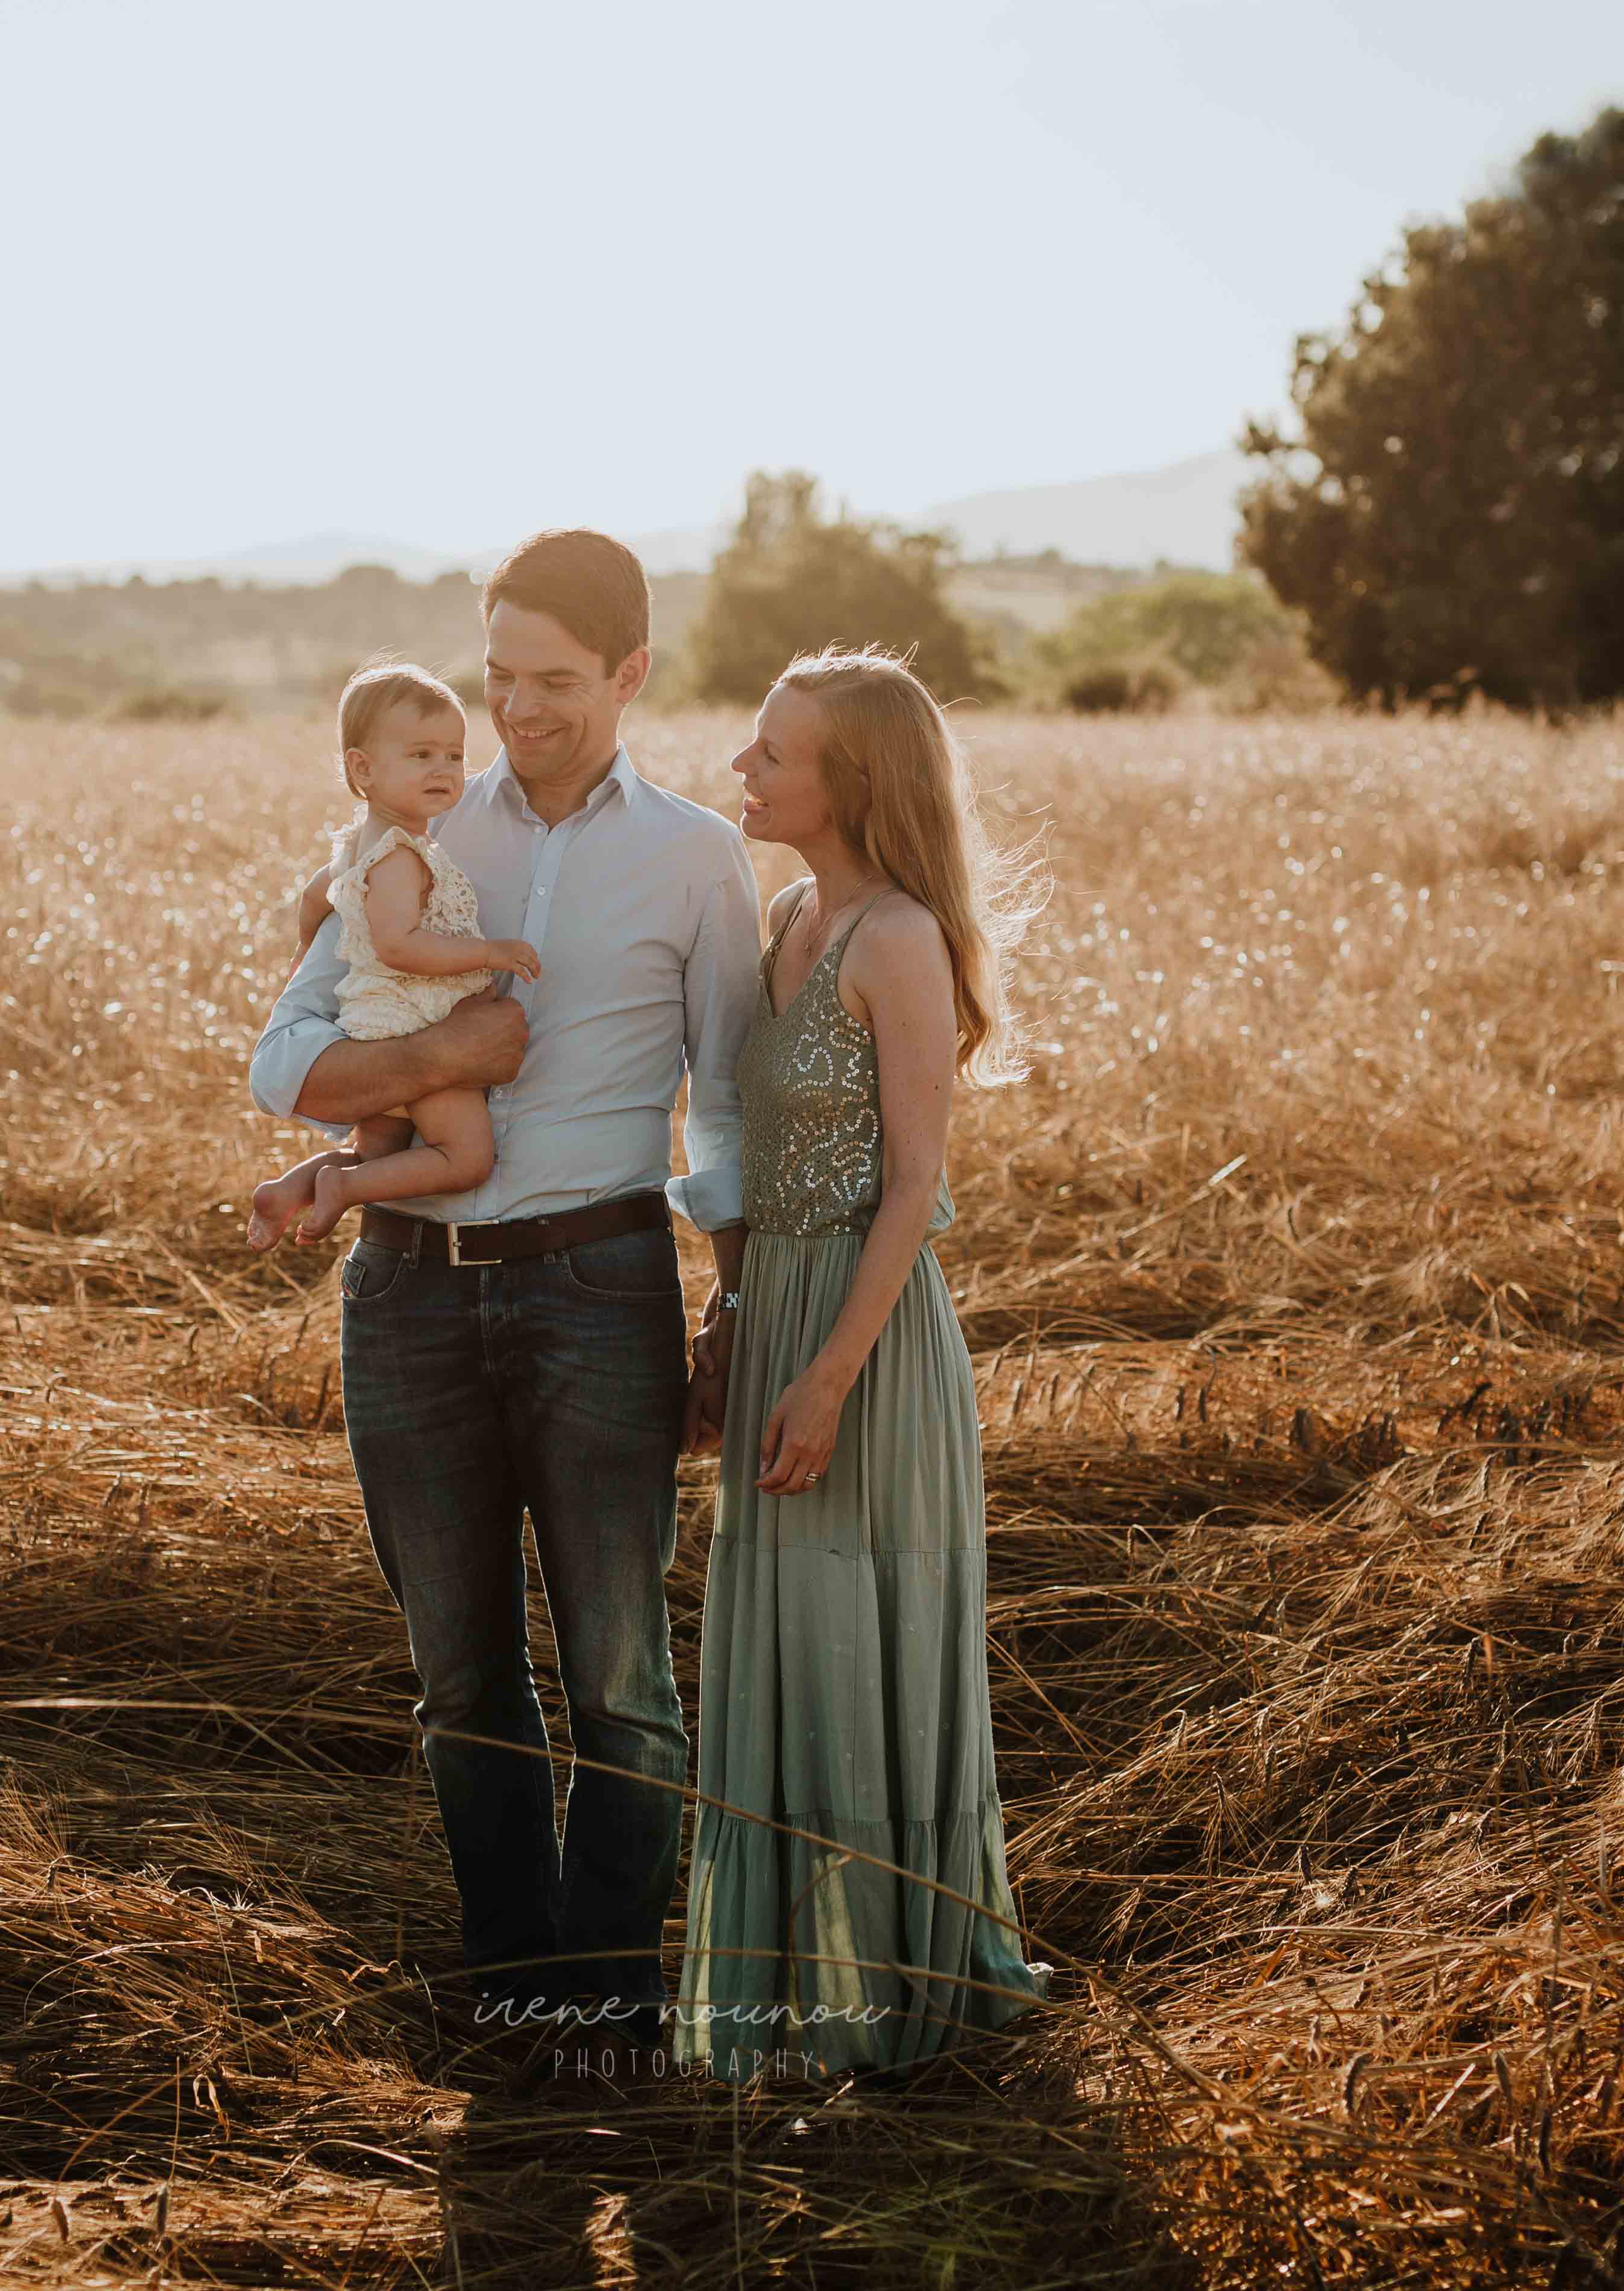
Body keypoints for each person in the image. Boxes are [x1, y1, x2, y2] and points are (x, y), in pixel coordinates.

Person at [245, 529, 761, 2062]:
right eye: (496, 677)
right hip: (403, 1296)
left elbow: (726, 1110)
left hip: (600, 1283)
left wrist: (734, 1308)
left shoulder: (695, 856)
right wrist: (434, 1064)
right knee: (459, 1676)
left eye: (551, 680)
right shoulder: (406, 830)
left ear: (629, 673)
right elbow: (285, 1064)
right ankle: (514, 1985)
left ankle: (609, 1997)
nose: (516, 710)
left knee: (620, 1676)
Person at [675, 648, 1047, 2084]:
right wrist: (730, 1322)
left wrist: (827, 1373)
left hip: (866, 1338)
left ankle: (892, 1986)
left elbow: (912, 1187)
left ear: (856, 782)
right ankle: (791, 1994)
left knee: (857, 1645)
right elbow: (738, 1154)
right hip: (774, 1310)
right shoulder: (784, 916)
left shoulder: (893, 936)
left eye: (774, 754)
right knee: (780, 1644)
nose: (742, 771)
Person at [245, 663, 542, 1251]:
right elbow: (398, 946)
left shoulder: (359, 842)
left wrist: (309, 947)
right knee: (464, 1155)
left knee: (374, 1149)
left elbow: (316, 897)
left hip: (373, 1019)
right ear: (363, 768)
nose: (444, 769)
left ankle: (290, 1189)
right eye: (421, 754)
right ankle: (344, 1188)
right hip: (417, 1020)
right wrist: (487, 952)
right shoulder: (402, 853)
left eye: (454, 755)